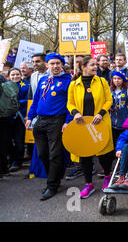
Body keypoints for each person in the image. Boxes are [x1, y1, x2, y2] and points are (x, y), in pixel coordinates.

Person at [25, 53, 73, 201]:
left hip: (56, 121)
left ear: (62, 65)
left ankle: (52, 185)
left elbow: (71, 103)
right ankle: (55, 178)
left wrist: (68, 120)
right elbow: (36, 100)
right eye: (52, 64)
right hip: (40, 121)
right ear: (47, 65)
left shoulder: (68, 81)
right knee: (42, 154)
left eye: (58, 63)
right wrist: (30, 117)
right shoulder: (43, 79)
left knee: (54, 154)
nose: (55, 66)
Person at [67, 56, 114, 199]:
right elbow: (70, 103)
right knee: (85, 155)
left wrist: (101, 113)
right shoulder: (74, 84)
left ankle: (107, 176)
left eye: (96, 64)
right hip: (82, 126)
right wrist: (75, 113)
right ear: (83, 67)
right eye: (92, 65)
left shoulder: (102, 81)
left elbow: (109, 100)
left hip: (100, 123)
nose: (96, 66)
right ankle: (89, 184)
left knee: (103, 154)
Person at [7, 68, 29, 172]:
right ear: (9, 76)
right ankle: (10, 159)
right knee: (7, 141)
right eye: (13, 75)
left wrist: (14, 102)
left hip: (20, 117)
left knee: (19, 140)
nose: (15, 76)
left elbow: (27, 100)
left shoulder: (26, 86)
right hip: (7, 117)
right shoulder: (4, 87)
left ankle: (18, 161)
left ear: (21, 75)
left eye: (17, 74)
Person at [110, 70, 128, 147]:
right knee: (113, 141)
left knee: (122, 142)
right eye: (115, 78)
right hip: (112, 122)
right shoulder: (109, 90)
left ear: (123, 80)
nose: (116, 81)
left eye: (119, 79)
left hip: (124, 123)